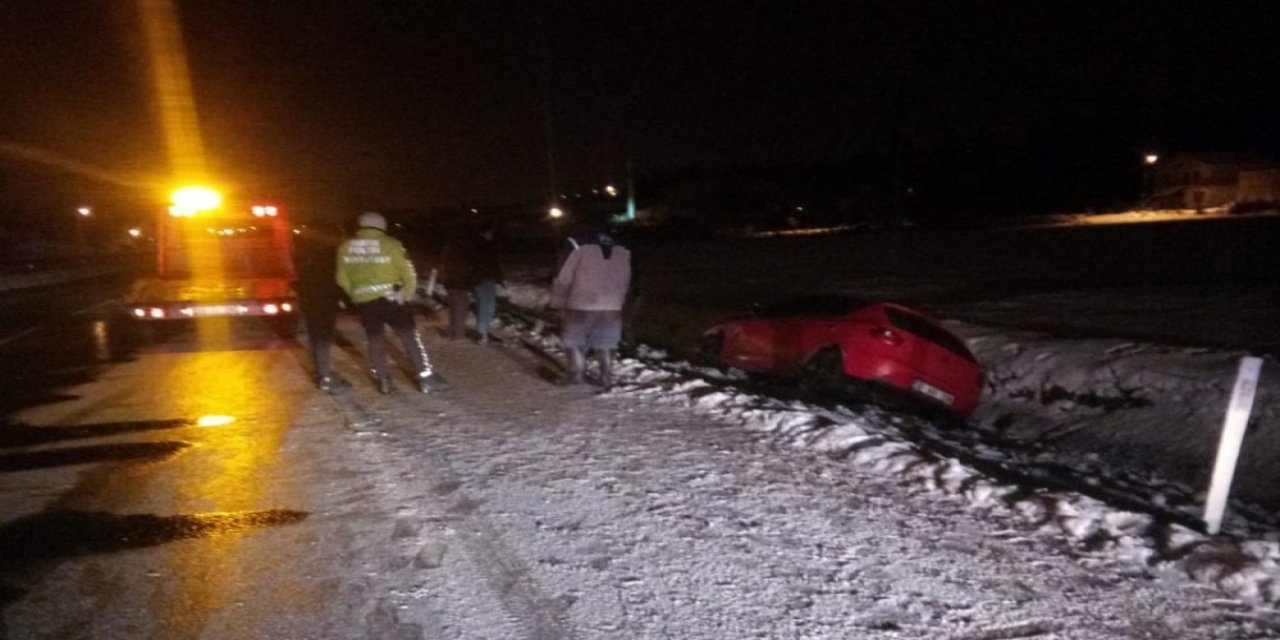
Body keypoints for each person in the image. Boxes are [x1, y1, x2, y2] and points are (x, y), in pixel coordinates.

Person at [335, 211, 434, 394]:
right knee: (408, 336)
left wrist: (357, 295)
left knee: (375, 339)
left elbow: (342, 279)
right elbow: (409, 274)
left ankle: (383, 379)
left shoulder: (345, 247)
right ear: (382, 225)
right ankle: (424, 376)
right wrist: (406, 295)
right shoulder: (392, 244)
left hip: (366, 302)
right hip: (392, 298)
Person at [549, 212, 632, 387]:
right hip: (612, 303)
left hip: (582, 301)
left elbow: (564, 273)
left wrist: (558, 301)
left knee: (573, 340)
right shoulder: (621, 244)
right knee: (606, 342)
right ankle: (605, 378)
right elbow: (628, 274)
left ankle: (576, 375)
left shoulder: (576, 240)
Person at [292, 221, 345, 391]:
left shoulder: (302, 252)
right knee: (323, 337)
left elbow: (297, 277)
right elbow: (339, 279)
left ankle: (320, 372)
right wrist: (345, 299)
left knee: (314, 335)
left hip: (308, 298)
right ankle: (325, 377)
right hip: (326, 299)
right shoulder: (333, 254)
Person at [462, 222, 505, 344]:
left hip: (480, 280)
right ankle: (482, 334)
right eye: (491, 232)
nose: (492, 235)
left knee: (485, 306)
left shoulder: (476, 246)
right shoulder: (485, 246)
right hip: (484, 280)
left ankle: (483, 332)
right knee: (487, 307)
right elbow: (492, 265)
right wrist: (499, 278)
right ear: (486, 233)